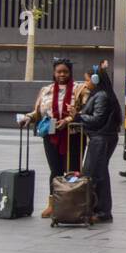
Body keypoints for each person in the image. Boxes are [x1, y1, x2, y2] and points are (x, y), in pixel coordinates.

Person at [21, 58, 82, 218]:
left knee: (72, 170)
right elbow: (38, 113)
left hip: (73, 136)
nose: (62, 74)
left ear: (70, 73)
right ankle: (53, 204)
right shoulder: (46, 90)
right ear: (54, 73)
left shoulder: (79, 89)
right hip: (51, 135)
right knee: (55, 170)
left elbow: (83, 112)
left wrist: (68, 120)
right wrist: (28, 117)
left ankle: (72, 203)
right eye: (59, 72)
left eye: (65, 72)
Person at [77, 63, 122, 223]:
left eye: (87, 80)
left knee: (97, 174)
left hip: (101, 138)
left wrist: (78, 116)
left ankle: (102, 211)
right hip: (102, 137)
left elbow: (97, 120)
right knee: (96, 172)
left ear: (95, 80)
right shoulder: (100, 94)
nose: (86, 83)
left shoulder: (101, 95)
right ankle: (98, 209)